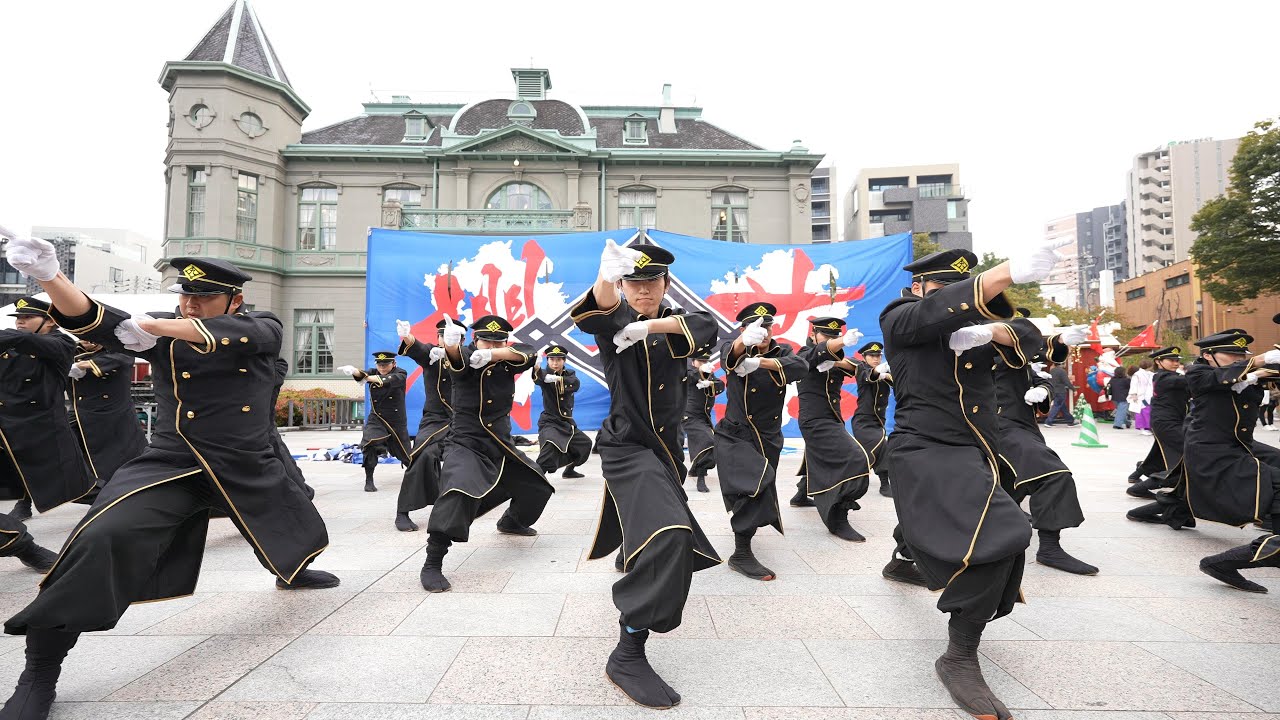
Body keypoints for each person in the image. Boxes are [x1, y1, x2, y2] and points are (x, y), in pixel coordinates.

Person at [0, 244, 337, 720]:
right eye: (185, 296)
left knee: (291, 521)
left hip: (246, 460)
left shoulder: (262, 325)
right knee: (101, 537)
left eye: (204, 297)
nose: (190, 305)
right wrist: (50, 277)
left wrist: (151, 328)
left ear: (233, 301)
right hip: (174, 461)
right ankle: (39, 671)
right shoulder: (162, 328)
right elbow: (96, 321)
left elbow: (231, 336)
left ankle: (292, 570)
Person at [880, 240, 1064, 720]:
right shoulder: (899, 316)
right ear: (918, 287)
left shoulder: (978, 328)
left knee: (982, 534)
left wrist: (995, 333)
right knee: (1005, 532)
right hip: (924, 449)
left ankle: (907, 558)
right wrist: (1001, 273)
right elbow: (930, 315)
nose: (949, 295)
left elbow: (1032, 335)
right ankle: (958, 656)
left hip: (977, 451)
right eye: (941, 285)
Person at [572, 239, 719, 709]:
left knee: (658, 532)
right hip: (626, 447)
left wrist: (650, 326)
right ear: (622, 283)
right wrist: (604, 281)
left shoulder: (675, 323)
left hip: (666, 453)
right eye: (633, 281)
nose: (642, 289)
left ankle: (634, 558)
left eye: (651, 280)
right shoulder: (618, 321)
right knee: (671, 535)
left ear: (666, 283)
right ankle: (628, 652)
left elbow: (705, 327)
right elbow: (600, 312)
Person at [418, 314, 553, 593]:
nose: (490, 346)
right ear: (474, 339)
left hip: (500, 443)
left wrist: (494, 355)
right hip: (466, 442)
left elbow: (528, 353)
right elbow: (456, 363)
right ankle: (432, 562)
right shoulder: (466, 356)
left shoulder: (506, 358)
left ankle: (512, 522)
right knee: (458, 491)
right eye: (485, 340)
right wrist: (454, 347)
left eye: (497, 341)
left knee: (538, 485)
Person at [995, 320, 1098, 575]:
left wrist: (1043, 387)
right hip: (998, 428)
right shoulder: (979, 349)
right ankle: (1050, 548)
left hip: (1022, 428)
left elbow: (1038, 373)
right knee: (1052, 475)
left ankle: (1013, 523)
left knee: (1009, 484)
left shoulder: (1018, 357)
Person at [1180, 331, 1280, 592]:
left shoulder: (1243, 373)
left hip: (1238, 445)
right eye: (1232, 354)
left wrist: (1262, 372)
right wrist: (1257, 363)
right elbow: (1216, 379)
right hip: (1211, 451)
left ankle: (1272, 532)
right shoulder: (1197, 373)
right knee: (1276, 481)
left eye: (1241, 354)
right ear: (1207, 355)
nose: (1238, 358)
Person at [714, 303, 808, 580]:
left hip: (768, 435)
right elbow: (727, 359)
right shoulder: (734, 345)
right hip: (736, 433)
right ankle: (741, 553)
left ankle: (743, 546)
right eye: (756, 327)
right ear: (743, 329)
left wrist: (760, 363)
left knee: (759, 490)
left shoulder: (783, 352)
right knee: (753, 485)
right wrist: (744, 345)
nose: (763, 332)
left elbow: (800, 367)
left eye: (767, 327)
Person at [0, 297, 95, 522]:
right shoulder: (11, 343)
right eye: (18, 319)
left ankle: (108, 501)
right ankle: (23, 504)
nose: (20, 323)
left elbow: (31, 343)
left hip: (42, 422)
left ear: (50, 321)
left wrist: (10, 337)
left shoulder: (62, 343)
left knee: (67, 480)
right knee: (16, 469)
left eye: (27, 317)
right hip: (7, 420)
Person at [794, 317, 871, 542]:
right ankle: (838, 517)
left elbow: (861, 368)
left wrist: (837, 362)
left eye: (836, 336)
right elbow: (808, 358)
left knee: (816, 456)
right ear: (813, 336)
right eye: (827, 335)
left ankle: (801, 494)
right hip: (815, 421)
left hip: (833, 419)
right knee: (856, 459)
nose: (832, 340)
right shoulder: (804, 354)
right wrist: (831, 349)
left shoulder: (835, 359)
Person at [393, 317, 463, 531]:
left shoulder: (469, 357)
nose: (445, 340)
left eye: (452, 336)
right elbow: (419, 349)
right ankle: (402, 511)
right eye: (442, 336)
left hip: (465, 420)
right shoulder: (431, 356)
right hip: (435, 419)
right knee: (423, 454)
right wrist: (407, 336)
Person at [66, 340, 148, 489]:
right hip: (80, 413)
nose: (85, 338)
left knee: (124, 458)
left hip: (115, 414)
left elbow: (121, 358)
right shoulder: (69, 349)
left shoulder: (117, 346)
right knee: (59, 450)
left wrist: (82, 365)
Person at [337, 351, 411, 493]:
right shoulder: (372, 372)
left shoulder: (401, 373)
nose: (382, 368)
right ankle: (369, 479)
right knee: (369, 444)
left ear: (393, 364)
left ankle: (418, 478)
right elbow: (362, 376)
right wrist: (355, 371)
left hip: (396, 420)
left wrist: (365, 377)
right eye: (380, 365)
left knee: (406, 455)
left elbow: (386, 380)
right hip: (377, 417)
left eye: (386, 365)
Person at [1125, 348, 1187, 501]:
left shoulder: (1172, 376)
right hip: (1166, 423)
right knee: (1187, 453)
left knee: (1159, 455)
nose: (1175, 363)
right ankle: (1141, 487)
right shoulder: (1164, 378)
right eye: (1171, 360)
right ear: (1158, 362)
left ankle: (1137, 477)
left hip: (1171, 421)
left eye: (1177, 360)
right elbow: (1188, 382)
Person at [532, 344, 592, 479]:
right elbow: (538, 378)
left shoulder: (569, 374)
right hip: (550, 421)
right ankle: (536, 477)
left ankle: (569, 470)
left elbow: (575, 384)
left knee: (585, 445)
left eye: (559, 359)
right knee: (550, 447)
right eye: (552, 360)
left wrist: (558, 379)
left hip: (566, 422)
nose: (555, 363)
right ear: (547, 361)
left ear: (564, 361)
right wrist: (536, 368)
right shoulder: (544, 374)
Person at [850, 340, 894, 498]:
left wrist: (888, 373)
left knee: (861, 455)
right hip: (863, 421)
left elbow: (896, 382)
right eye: (872, 356)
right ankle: (884, 483)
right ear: (865, 357)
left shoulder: (885, 372)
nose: (875, 359)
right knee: (882, 446)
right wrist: (879, 371)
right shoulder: (862, 368)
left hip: (878, 422)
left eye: (878, 356)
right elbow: (870, 376)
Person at [681, 349, 722, 493]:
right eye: (700, 361)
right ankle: (701, 477)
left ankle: (694, 469)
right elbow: (690, 377)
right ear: (693, 362)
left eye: (706, 361)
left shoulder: (711, 374)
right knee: (708, 441)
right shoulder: (689, 372)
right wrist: (701, 373)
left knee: (711, 443)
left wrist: (710, 384)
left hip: (704, 417)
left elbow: (720, 385)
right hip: (689, 416)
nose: (704, 364)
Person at [1042, 361, 1076, 427]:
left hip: (1053, 391)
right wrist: (1073, 389)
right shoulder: (1062, 371)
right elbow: (1067, 382)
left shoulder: (1052, 371)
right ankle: (1048, 422)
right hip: (1060, 391)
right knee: (1057, 406)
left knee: (1063, 407)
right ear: (1062, 364)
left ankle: (1070, 421)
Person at [1130, 358, 1155, 436]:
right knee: (1142, 412)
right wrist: (1134, 394)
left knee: (1147, 411)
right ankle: (1143, 428)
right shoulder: (1137, 374)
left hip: (1149, 395)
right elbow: (1134, 385)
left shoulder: (1150, 374)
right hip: (1141, 395)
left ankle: (1148, 427)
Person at [1108, 365, 1131, 429]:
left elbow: (1109, 386)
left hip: (1114, 398)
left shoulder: (1112, 379)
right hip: (1124, 398)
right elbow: (1131, 387)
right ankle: (1117, 425)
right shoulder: (1127, 380)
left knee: (1121, 411)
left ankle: (1127, 422)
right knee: (1122, 411)